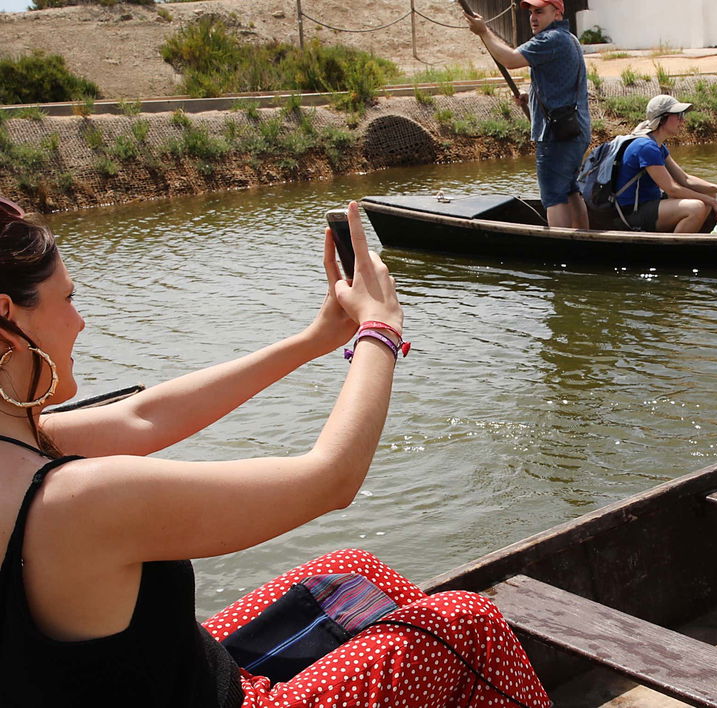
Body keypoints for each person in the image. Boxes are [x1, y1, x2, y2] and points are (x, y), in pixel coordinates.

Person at [0, 197, 552, 707]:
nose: (80, 321)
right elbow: (331, 479)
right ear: (8, 322)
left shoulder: (22, 445)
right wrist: (381, 330)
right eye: (67, 298)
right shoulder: (76, 500)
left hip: (174, 675)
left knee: (355, 572)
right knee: (466, 621)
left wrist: (316, 338)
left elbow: (143, 417)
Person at [466, 0, 591, 230]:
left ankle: (562, 250)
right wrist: (530, 96)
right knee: (570, 189)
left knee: (554, 196)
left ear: (557, 13)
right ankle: (583, 238)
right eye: (532, 12)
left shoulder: (550, 39)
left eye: (540, 12)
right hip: (576, 130)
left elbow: (510, 60)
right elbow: (559, 82)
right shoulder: (569, 39)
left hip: (557, 134)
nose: (533, 17)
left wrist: (484, 32)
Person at [612, 94, 717, 233]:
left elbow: (685, 179)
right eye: (679, 115)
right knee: (696, 208)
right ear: (663, 118)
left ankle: (690, 236)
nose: (683, 121)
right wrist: (712, 203)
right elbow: (672, 189)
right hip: (632, 213)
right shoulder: (646, 147)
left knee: (709, 193)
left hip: (649, 203)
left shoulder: (658, 146)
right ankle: (674, 250)